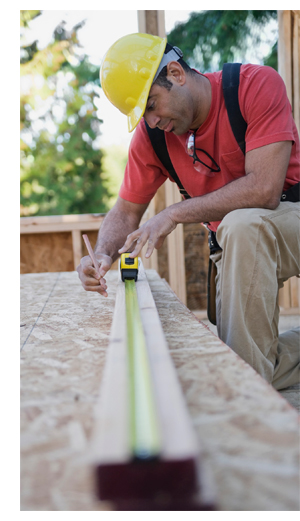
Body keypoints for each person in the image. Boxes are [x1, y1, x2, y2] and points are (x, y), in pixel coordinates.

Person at [77, 33, 300, 391]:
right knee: (248, 360)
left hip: (292, 220)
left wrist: (174, 213)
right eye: (143, 114)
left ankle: (241, 397)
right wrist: (102, 253)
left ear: (176, 74)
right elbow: (125, 210)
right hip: (239, 241)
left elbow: (264, 189)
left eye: (152, 104)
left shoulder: (254, 85)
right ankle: (249, 378)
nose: (151, 121)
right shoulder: (153, 138)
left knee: (242, 224)